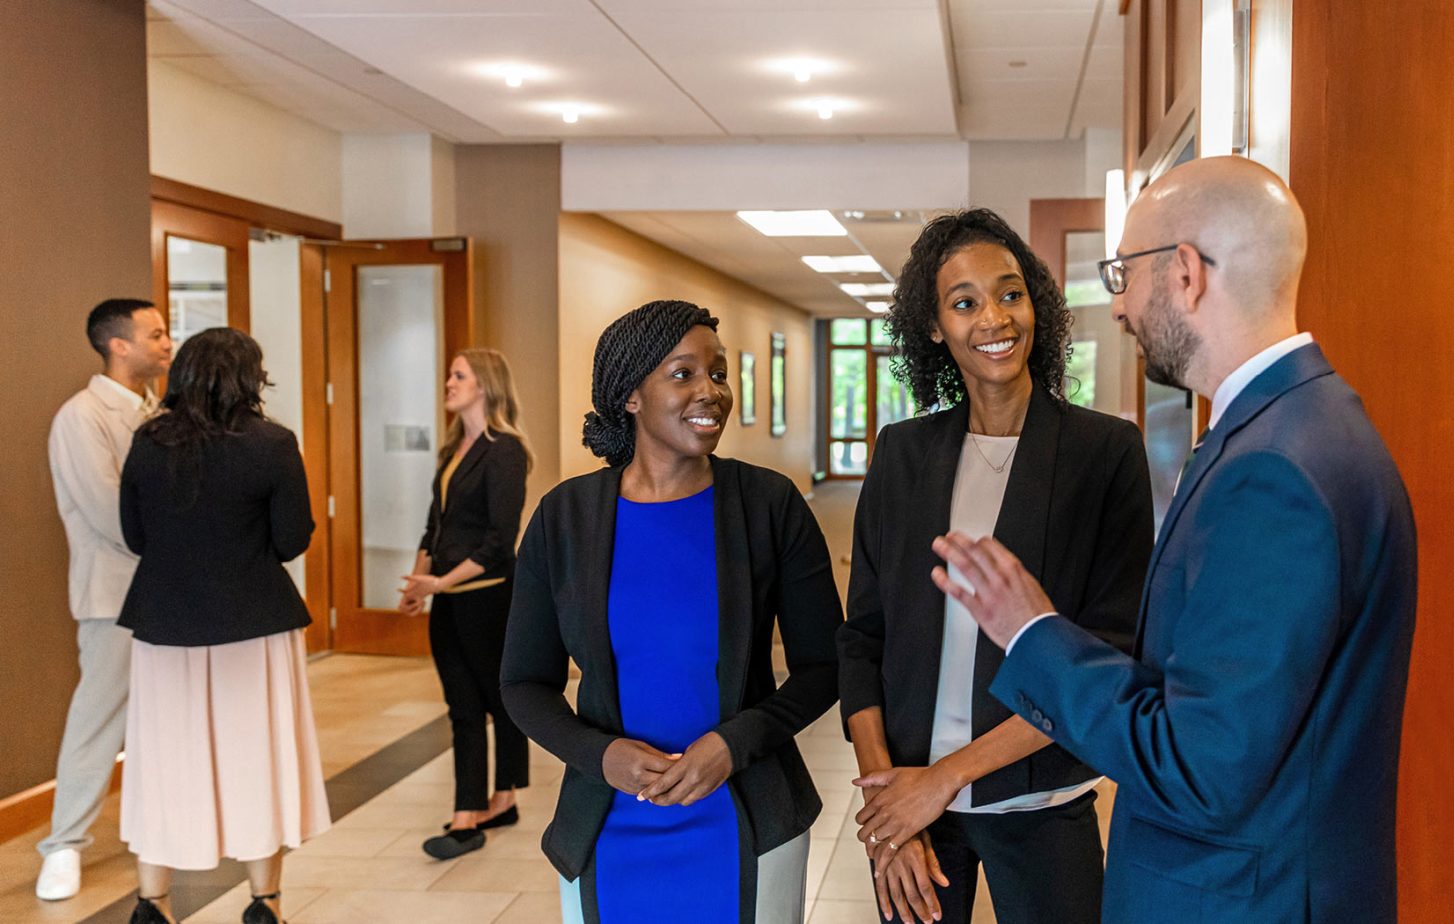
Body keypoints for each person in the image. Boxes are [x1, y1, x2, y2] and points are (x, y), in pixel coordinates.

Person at [931, 156, 1419, 923]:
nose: (1119, 308)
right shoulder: (1300, 425)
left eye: (1124, 274)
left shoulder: (1274, 471)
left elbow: (1200, 767)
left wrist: (1032, 632)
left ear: (1185, 272)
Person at [836, 209, 1153, 924]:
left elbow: (1107, 656)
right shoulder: (903, 455)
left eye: (1010, 293)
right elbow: (862, 638)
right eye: (964, 302)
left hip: (1041, 803)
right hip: (913, 803)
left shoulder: (1104, 454)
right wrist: (891, 802)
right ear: (933, 326)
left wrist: (943, 780)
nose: (994, 318)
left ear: (1036, 301)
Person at [501, 300, 843, 924]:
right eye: (682, 374)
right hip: (607, 824)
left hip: (748, 818)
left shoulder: (769, 506)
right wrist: (598, 755)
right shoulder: (564, 519)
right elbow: (524, 682)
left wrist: (732, 744)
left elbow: (825, 665)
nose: (710, 391)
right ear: (630, 395)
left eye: (717, 372)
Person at [117, 327, 328, 924]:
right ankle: (264, 905)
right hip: (254, 622)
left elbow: (135, 537)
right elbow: (291, 540)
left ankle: (150, 904)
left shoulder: (147, 441)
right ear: (250, 379)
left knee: (162, 757)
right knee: (253, 755)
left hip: (165, 624)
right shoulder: (273, 443)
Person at [37, 298, 173, 901]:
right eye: (157, 333)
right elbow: (108, 511)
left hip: (169, 591)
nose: (168, 343)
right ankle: (63, 845)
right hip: (113, 594)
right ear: (119, 345)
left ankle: (158, 827)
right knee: (98, 718)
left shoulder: (159, 414)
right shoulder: (81, 416)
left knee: (165, 716)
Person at [396, 348, 533, 860]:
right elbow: (435, 526)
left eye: (459, 375)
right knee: (462, 707)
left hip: (487, 597)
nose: (449, 382)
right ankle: (469, 809)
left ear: (485, 385)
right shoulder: (454, 450)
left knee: (500, 701)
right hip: (447, 598)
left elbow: (500, 540)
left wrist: (441, 583)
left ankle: (502, 797)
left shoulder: (506, 451)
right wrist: (420, 582)